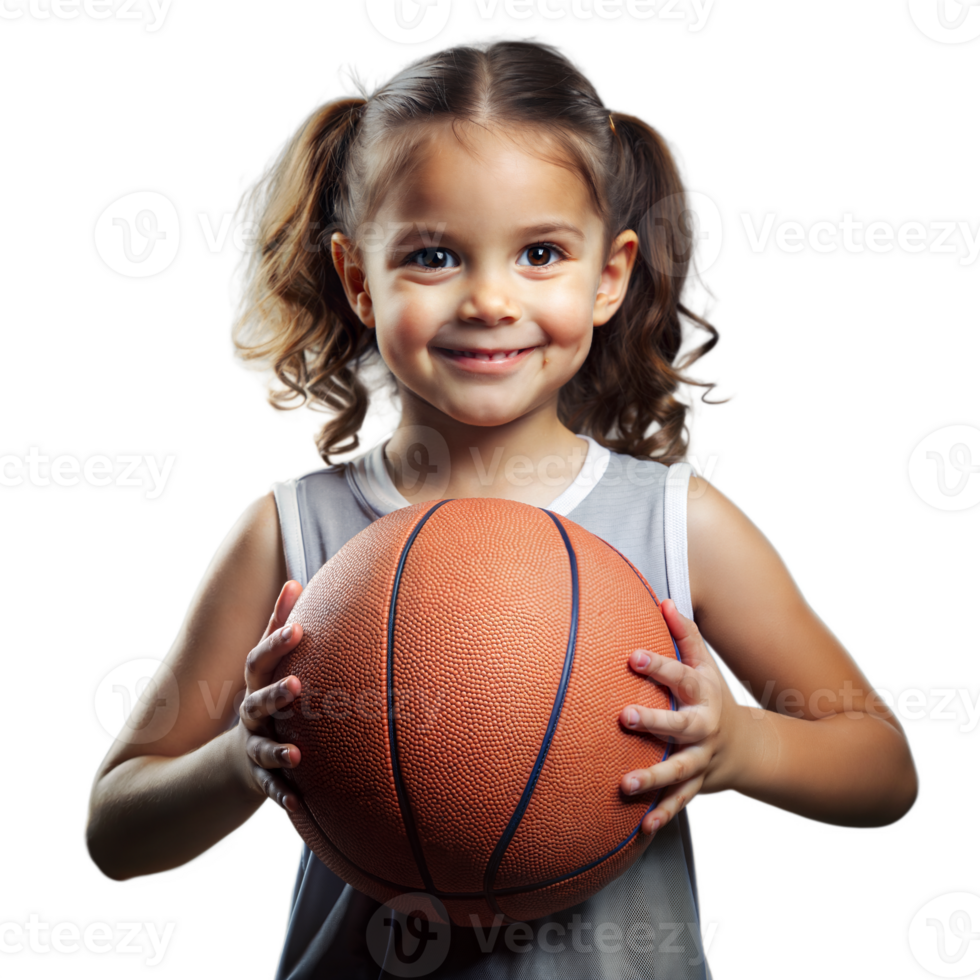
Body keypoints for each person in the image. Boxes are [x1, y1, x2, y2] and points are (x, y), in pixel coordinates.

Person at [82, 32, 921, 980]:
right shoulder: (291, 529)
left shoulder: (680, 524)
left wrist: (742, 746)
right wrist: (243, 759)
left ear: (609, 276)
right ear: (361, 279)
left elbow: (882, 770)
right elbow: (117, 831)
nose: (488, 299)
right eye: (435, 254)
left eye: (541, 253)